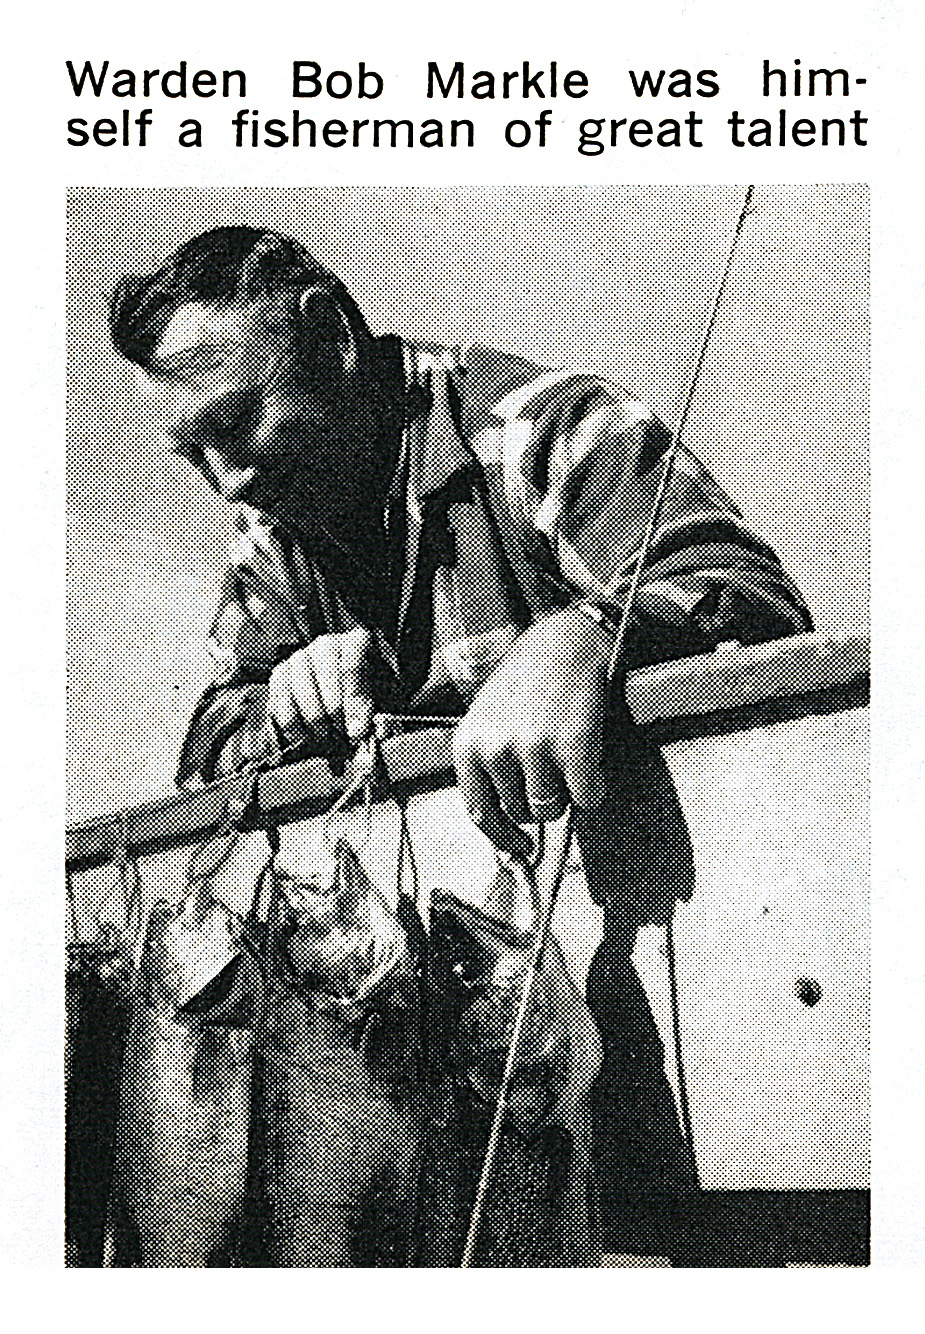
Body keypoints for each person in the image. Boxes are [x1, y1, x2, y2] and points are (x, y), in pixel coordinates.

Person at [109, 225, 813, 1257]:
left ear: (330, 336)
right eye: (192, 453)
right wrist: (274, 706)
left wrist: (584, 635)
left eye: (236, 421)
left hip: (678, 1027)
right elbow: (209, 735)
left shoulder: (544, 429)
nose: (227, 480)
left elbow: (751, 595)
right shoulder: (276, 536)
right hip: (438, 1077)